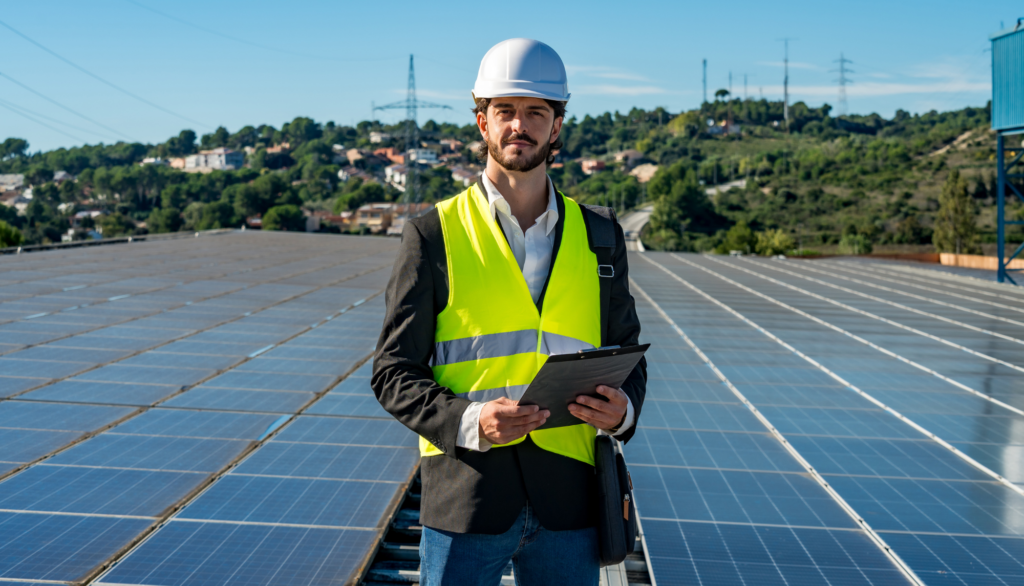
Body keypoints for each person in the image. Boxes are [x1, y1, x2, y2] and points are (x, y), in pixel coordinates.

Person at [372, 38, 646, 586]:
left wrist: (623, 414)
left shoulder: (601, 237)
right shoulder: (434, 235)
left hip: (570, 503)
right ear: (482, 122)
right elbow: (391, 373)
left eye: (536, 112)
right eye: (506, 112)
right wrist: (472, 421)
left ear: (557, 126)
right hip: (467, 498)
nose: (519, 125)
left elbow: (629, 357)